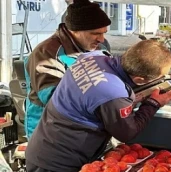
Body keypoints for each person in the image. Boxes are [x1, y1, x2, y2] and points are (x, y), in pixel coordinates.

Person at [25, 40, 171, 172]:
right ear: (139, 79)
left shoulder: (93, 57)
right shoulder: (113, 94)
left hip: (48, 144)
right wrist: (153, 103)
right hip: (56, 161)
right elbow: (127, 132)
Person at [24, 0, 111, 140]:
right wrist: (102, 103)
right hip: (50, 133)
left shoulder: (99, 48)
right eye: (95, 33)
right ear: (74, 30)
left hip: (85, 129)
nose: (101, 39)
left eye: (104, 33)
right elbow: (55, 99)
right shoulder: (47, 54)